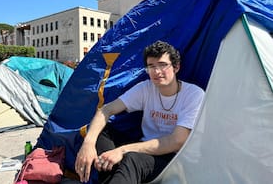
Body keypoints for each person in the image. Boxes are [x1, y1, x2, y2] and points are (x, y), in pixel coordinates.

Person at [74, 40, 205, 183]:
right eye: (151, 66)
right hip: (144, 148)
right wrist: (88, 143)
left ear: (176, 67)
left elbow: (176, 141)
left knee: (132, 159)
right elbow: (107, 109)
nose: (157, 72)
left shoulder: (193, 94)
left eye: (162, 65)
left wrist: (122, 151)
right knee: (101, 131)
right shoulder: (146, 88)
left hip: (174, 159)